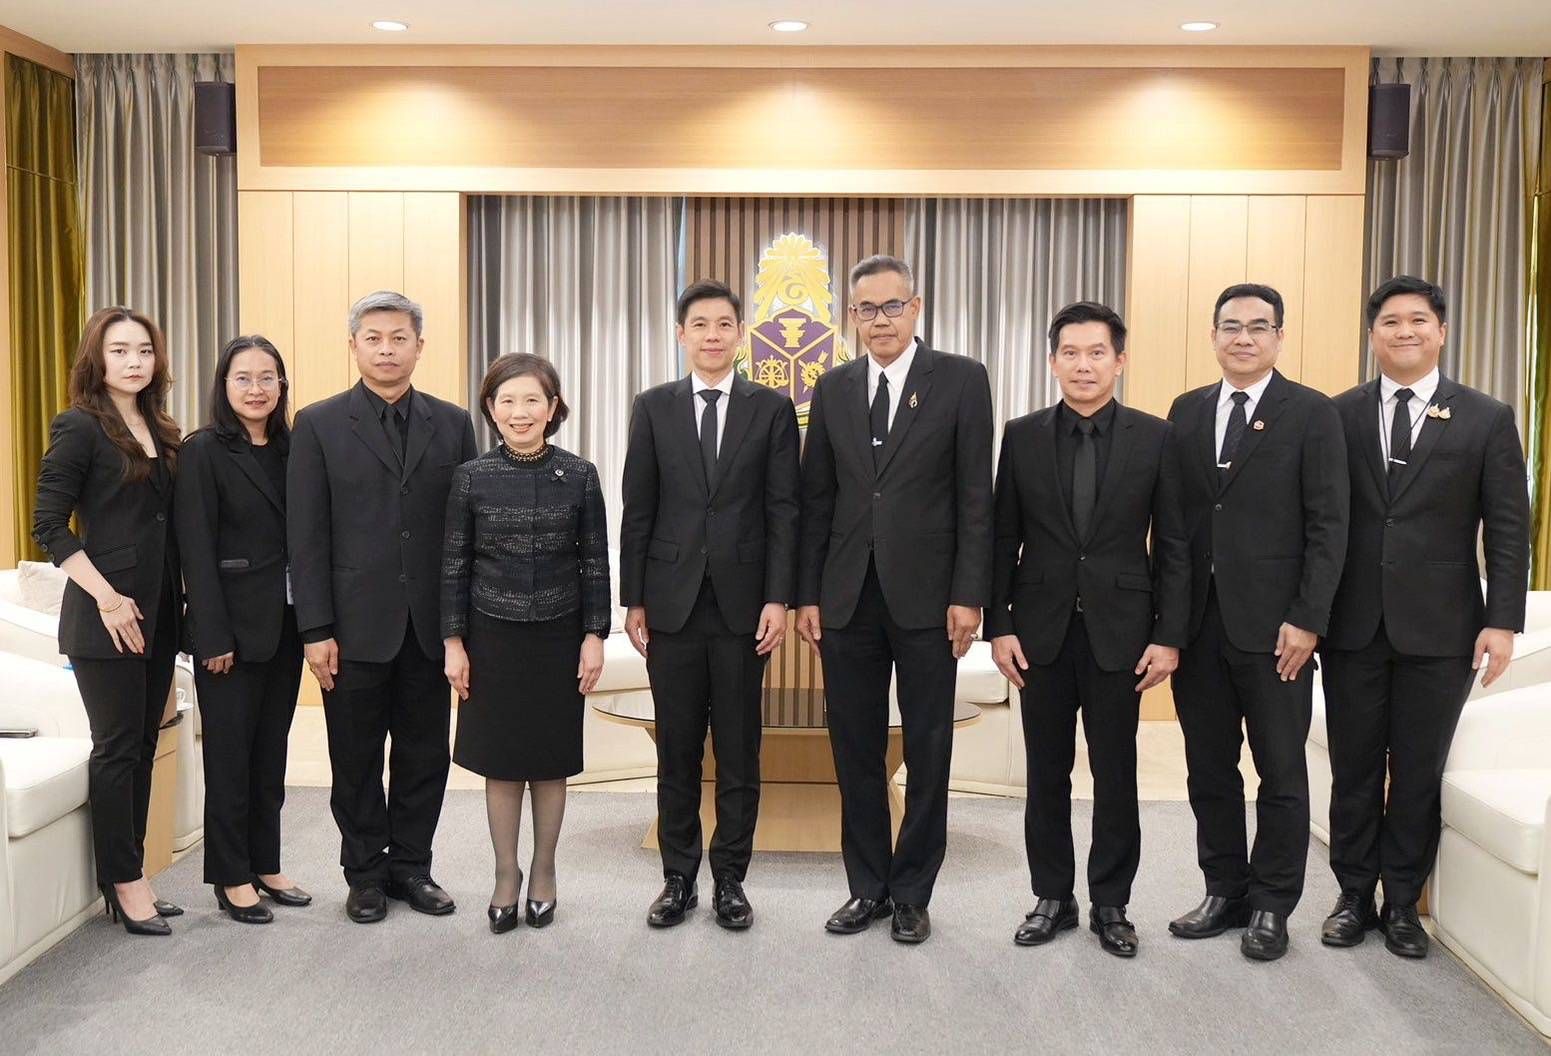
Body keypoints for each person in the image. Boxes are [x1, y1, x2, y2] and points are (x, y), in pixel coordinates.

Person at [1319, 275, 1529, 958]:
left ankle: (1403, 902)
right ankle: (1353, 895)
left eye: (1417, 320)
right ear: (1372, 335)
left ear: (1440, 331)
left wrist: (1502, 620)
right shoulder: (1337, 415)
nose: (1403, 331)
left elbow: (1507, 526)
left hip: (1443, 629)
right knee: (1354, 770)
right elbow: (1318, 522)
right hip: (1351, 625)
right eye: (1389, 321)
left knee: (1416, 772)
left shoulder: (1485, 417)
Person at [796, 254, 994, 944]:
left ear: (916, 308)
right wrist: (807, 594)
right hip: (847, 596)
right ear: (851, 316)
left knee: (928, 746)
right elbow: (817, 498)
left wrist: (969, 593)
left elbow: (975, 496)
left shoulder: (961, 380)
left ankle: (912, 892)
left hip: (930, 599)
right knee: (853, 746)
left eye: (891, 306)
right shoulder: (834, 387)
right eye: (865, 309)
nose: (879, 320)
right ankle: (866, 887)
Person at [987, 302, 1190, 957]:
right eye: (1070, 353)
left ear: (1119, 360)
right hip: (1038, 633)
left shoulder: (1155, 437)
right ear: (1052, 362)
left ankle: (1111, 903)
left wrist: (1168, 635)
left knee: (1115, 774)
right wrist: (999, 624)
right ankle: (1052, 896)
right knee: (1045, 773)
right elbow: (1002, 538)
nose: (1083, 365)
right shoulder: (1020, 436)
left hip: (1121, 633)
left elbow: (1174, 544)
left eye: (1096, 352)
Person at [1165, 283, 1349, 961]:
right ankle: (1224, 890)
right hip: (1198, 627)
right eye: (1231, 326)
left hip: (1278, 632)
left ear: (1278, 337)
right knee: (1208, 770)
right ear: (1213, 335)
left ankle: (1272, 904)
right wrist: (1167, 624)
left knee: (1280, 773)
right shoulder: (1186, 411)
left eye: (1257, 327)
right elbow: (1175, 524)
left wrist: (1308, 618)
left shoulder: (1311, 413)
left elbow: (1329, 525)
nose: (1243, 338)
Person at [288, 290, 477, 923]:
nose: (387, 349)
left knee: (425, 754)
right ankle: (365, 873)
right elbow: (306, 536)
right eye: (374, 338)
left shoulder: (452, 423)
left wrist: (460, 627)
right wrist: (314, 627)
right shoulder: (317, 424)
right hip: (350, 626)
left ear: (420, 346)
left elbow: (465, 531)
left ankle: (412, 867)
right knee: (355, 757)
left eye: (399, 338)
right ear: (354, 346)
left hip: (429, 626)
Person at [620, 280, 800, 930]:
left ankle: (730, 880)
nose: (712, 335)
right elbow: (638, 507)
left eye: (724, 324)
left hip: (743, 608)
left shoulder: (771, 409)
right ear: (681, 334)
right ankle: (677, 878)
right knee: (676, 749)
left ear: (740, 333)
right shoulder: (653, 407)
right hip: (670, 603)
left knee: (738, 750)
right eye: (700, 324)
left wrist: (778, 597)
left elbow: (784, 510)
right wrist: (633, 598)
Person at [442, 353, 608, 934]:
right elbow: (454, 564)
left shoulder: (580, 474)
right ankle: (504, 874)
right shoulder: (471, 476)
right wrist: (453, 642)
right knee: (503, 761)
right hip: (491, 637)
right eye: (507, 400)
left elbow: (594, 562)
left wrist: (594, 635)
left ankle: (544, 871)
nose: (520, 411)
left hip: (560, 636)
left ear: (553, 407)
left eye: (532, 400)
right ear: (490, 408)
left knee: (550, 760)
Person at [32, 306, 185, 936]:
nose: (134, 362)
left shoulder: (162, 427)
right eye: (119, 350)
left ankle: (133, 871)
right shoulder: (79, 426)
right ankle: (122, 881)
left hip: (159, 611)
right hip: (107, 616)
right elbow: (49, 526)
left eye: (144, 351)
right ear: (97, 358)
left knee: (145, 744)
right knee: (118, 747)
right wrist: (108, 597)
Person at [176, 335, 310, 925]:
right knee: (229, 758)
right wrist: (212, 636)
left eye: (266, 378)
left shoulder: (294, 447)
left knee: (270, 753)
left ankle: (266, 863)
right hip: (228, 631)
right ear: (224, 386)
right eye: (243, 378)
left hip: (286, 625)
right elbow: (195, 549)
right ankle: (231, 876)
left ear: (281, 385)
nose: (256, 389)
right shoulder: (203, 450)